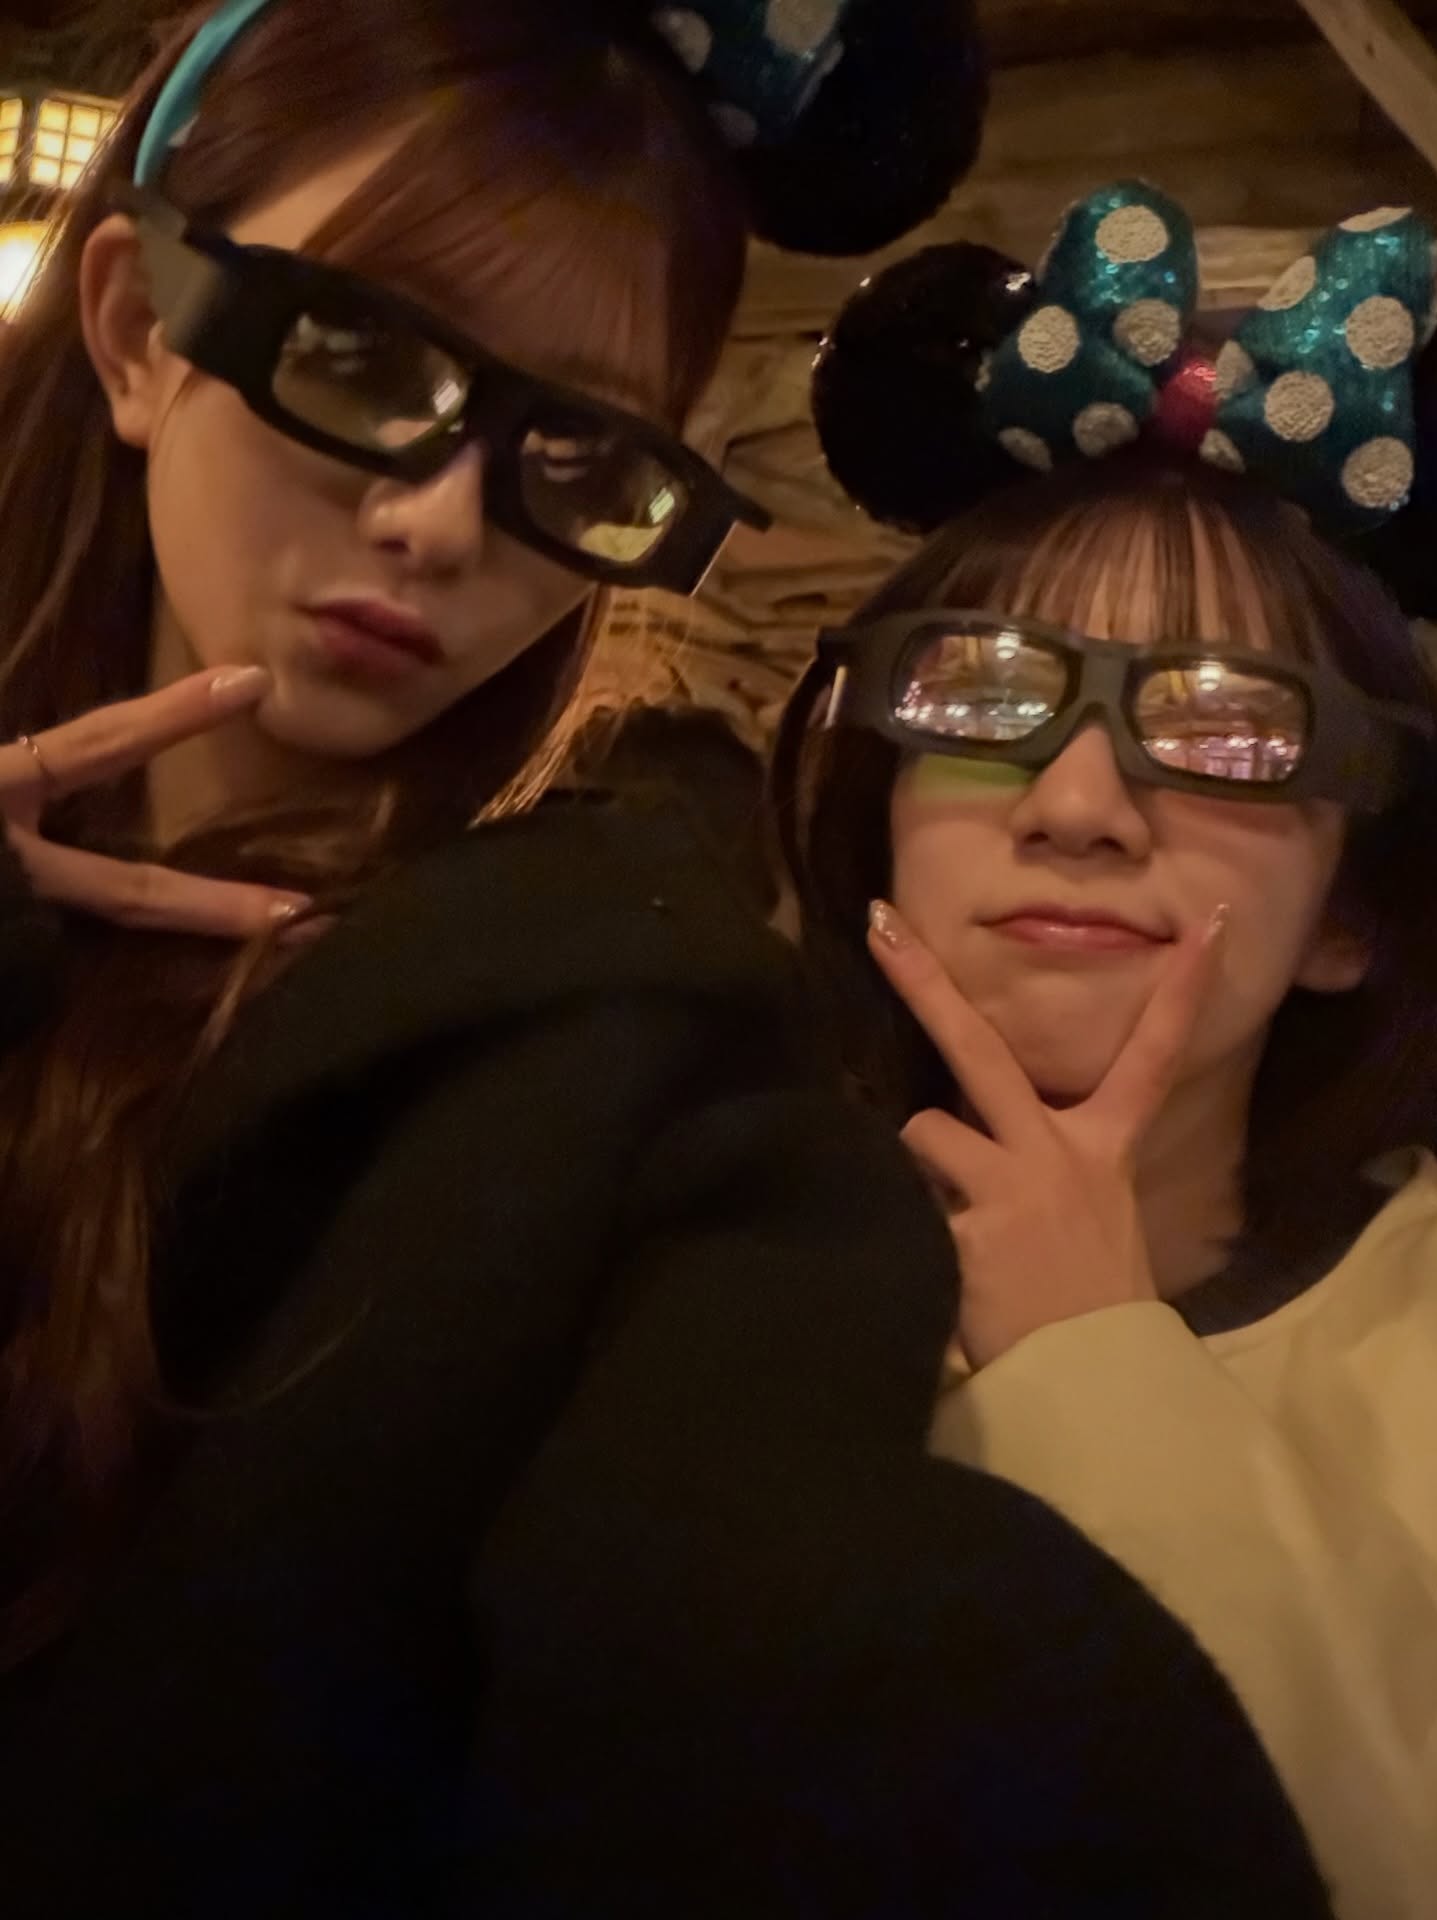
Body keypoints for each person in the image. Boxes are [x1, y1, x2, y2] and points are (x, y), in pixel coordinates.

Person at [0, 22, 1335, 1916]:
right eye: (359, 357)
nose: (436, 523)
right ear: (141, 328)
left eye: (576, 457)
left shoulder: (597, 1058)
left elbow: (770, 1581)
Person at [776, 180, 1437, 1918]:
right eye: (990, 692)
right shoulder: (684, 1263)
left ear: (1354, 912)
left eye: (1226, 723)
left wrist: (1095, 1359)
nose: (1076, 803)